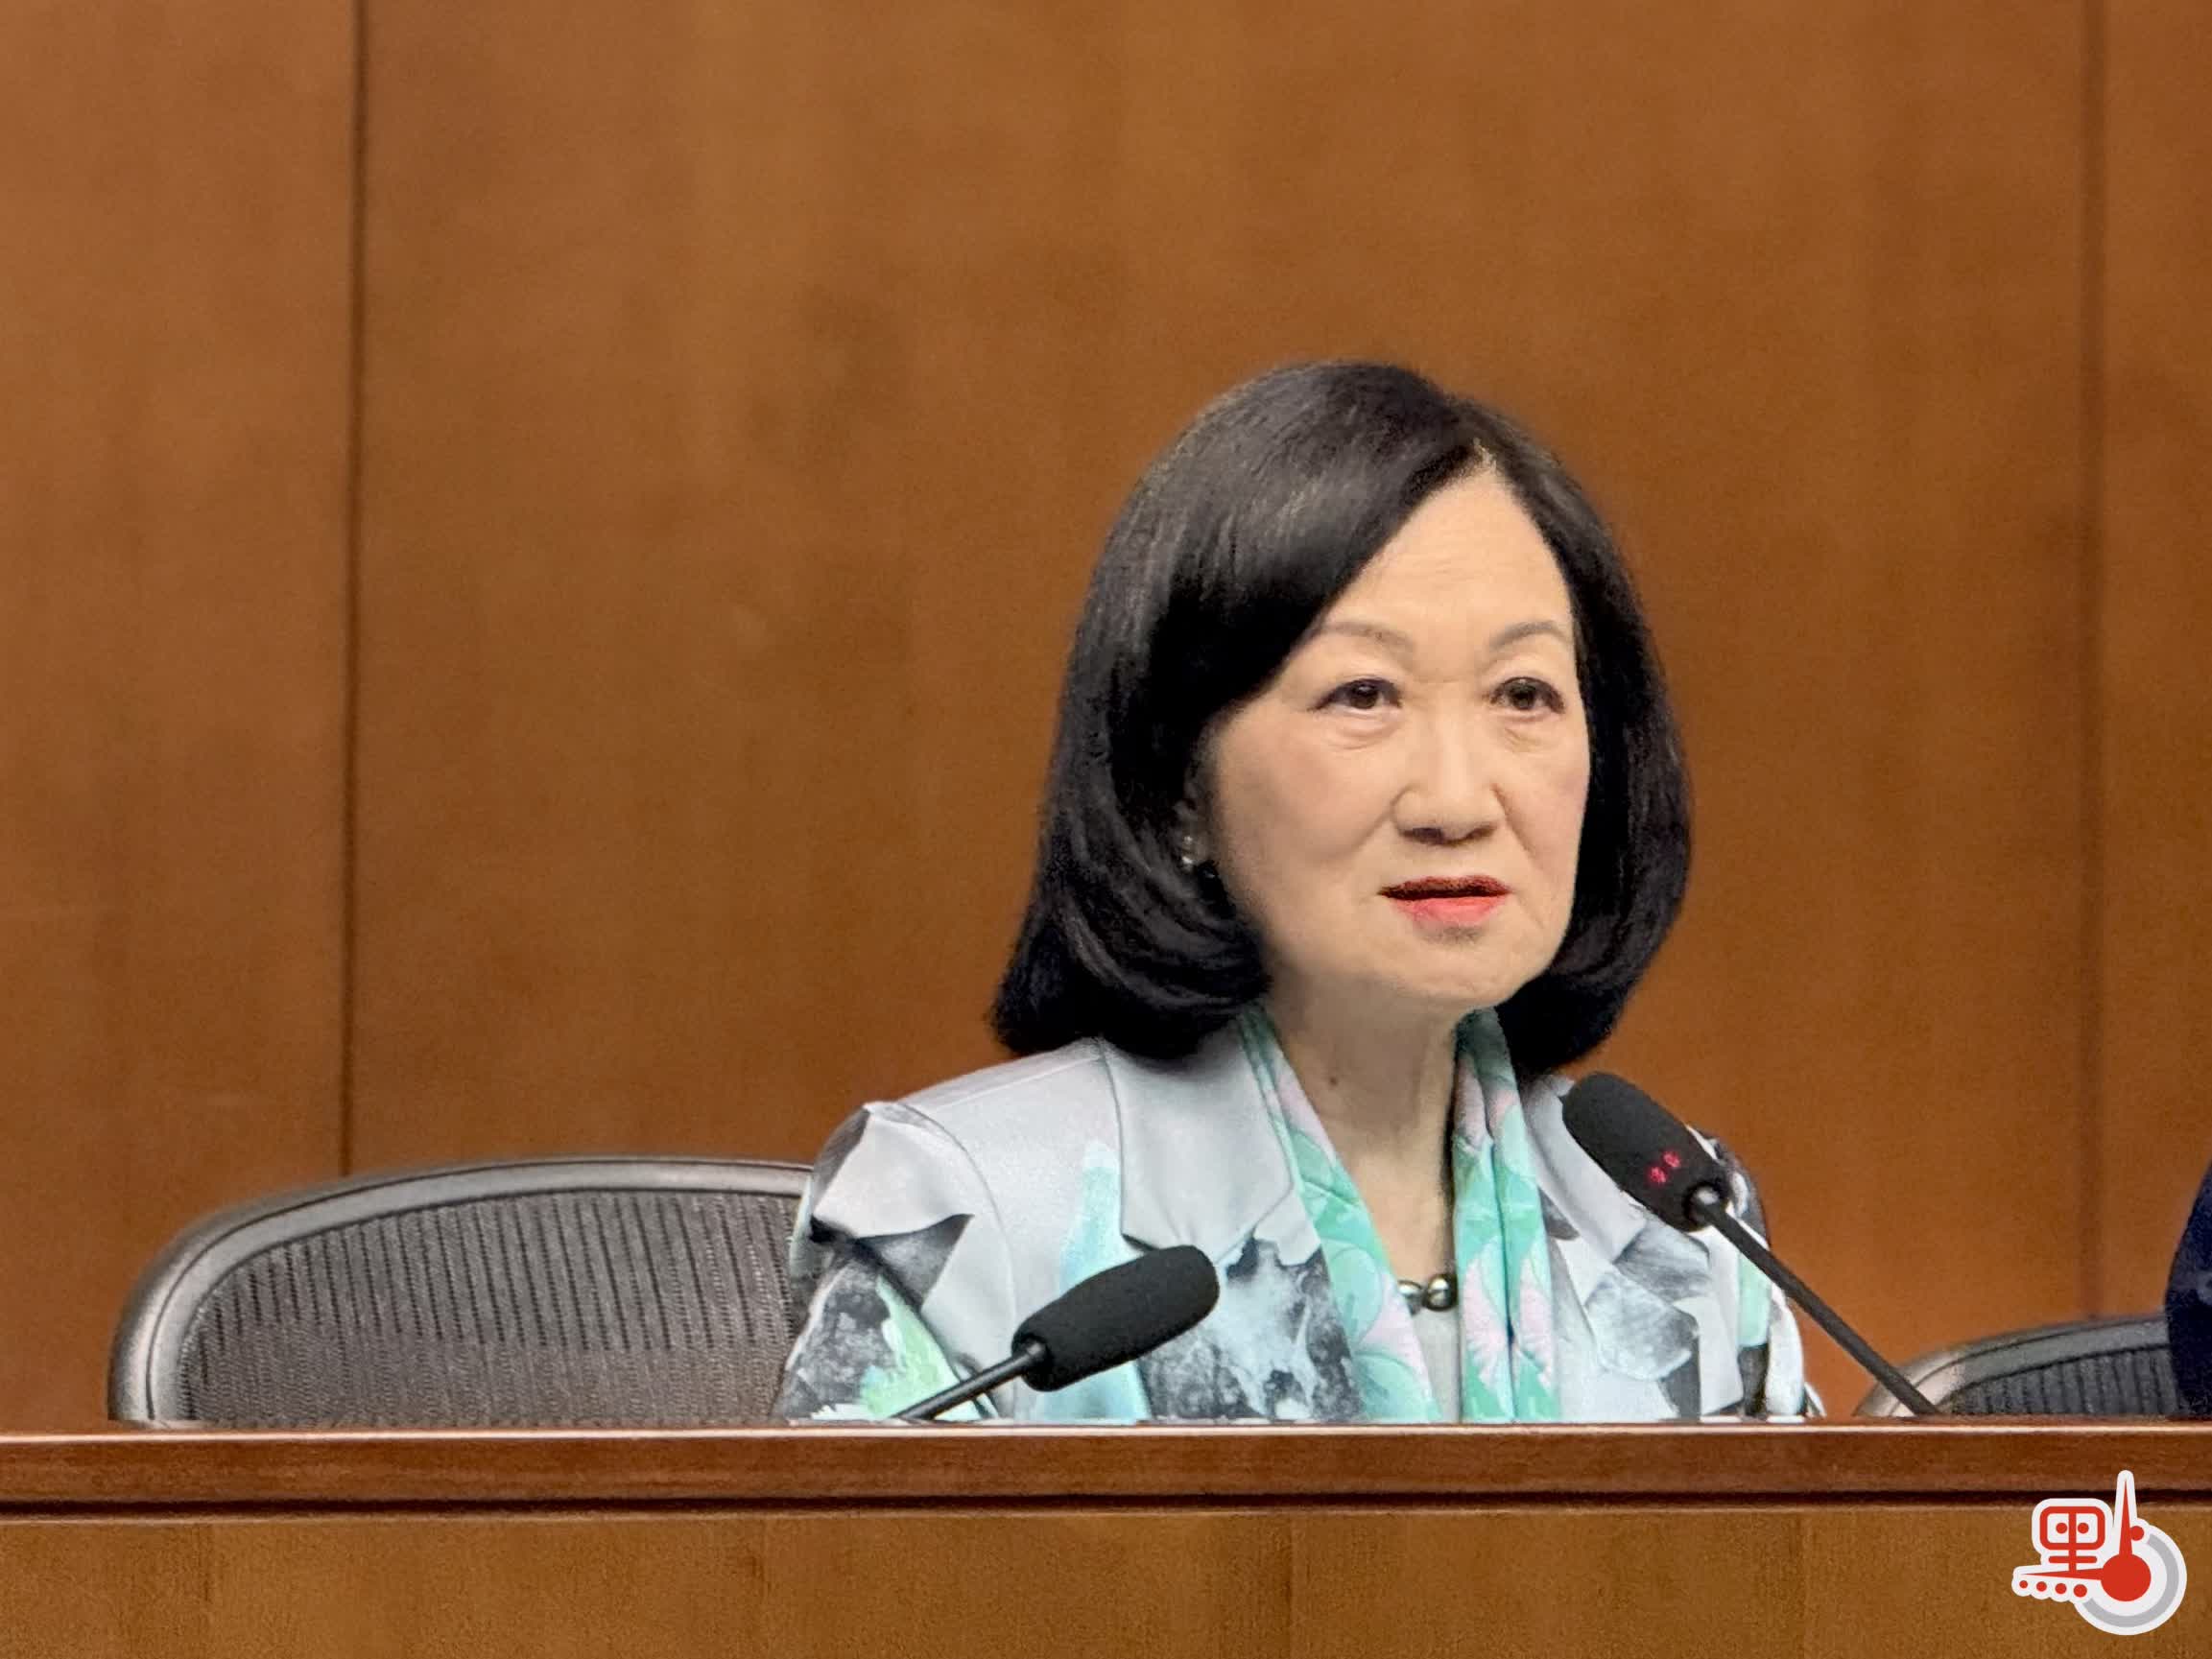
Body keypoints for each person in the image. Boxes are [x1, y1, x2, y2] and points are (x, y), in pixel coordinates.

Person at [774, 361, 1809, 1422]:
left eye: (1522, 694)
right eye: (1363, 694)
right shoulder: (971, 1213)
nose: (1457, 800)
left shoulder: (1673, 1224)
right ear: (1180, 783)